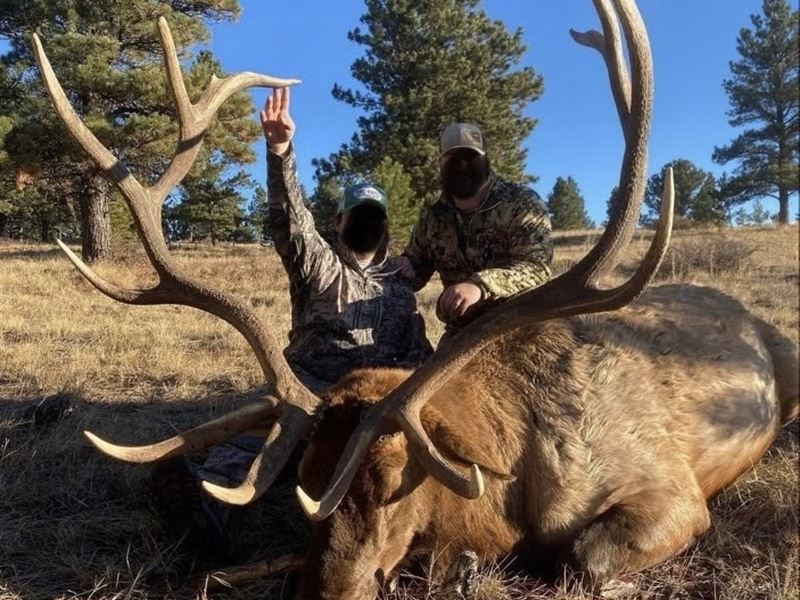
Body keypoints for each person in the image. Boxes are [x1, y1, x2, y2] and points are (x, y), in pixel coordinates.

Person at [152, 88, 432, 557]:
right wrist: (280, 151)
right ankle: (202, 508)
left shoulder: (401, 287)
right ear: (339, 221)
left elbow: (416, 356)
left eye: (374, 217)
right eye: (357, 215)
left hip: (376, 407)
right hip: (308, 393)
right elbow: (292, 221)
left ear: (385, 227)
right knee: (251, 447)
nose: (366, 223)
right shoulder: (318, 264)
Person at [394, 122, 553, 337]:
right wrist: (405, 268)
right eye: (453, 159)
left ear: (486, 159)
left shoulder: (521, 203)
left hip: (523, 329)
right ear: (440, 162)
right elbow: (415, 269)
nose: (462, 166)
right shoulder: (432, 218)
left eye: (470, 158)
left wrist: (479, 286)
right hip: (462, 335)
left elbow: (537, 268)